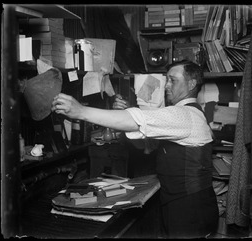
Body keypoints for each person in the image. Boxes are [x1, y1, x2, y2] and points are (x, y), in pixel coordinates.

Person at [51, 60, 219, 238]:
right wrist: (123, 115)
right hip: (179, 204)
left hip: (190, 209)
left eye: (173, 80)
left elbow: (137, 120)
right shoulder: (183, 115)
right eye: (167, 80)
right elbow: (147, 145)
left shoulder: (185, 115)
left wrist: (80, 111)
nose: (167, 85)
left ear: (192, 84)